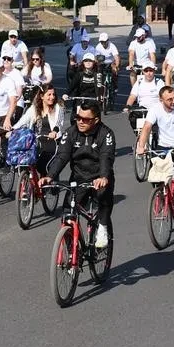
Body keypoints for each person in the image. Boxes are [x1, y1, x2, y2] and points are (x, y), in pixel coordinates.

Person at [41, 101, 116, 248]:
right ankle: (70, 251)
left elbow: (106, 157)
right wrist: (50, 175)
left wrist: (103, 177)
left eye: (85, 119)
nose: (80, 122)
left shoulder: (106, 134)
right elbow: (62, 156)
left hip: (99, 177)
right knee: (68, 212)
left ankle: (103, 227)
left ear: (96, 120)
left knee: (103, 198)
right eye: (78, 117)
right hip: (78, 178)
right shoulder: (71, 132)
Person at [137, 86, 174, 227]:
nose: (173, 101)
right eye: (169, 99)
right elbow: (146, 128)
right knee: (155, 174)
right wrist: (141, 146)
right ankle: (161, 198)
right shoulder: (155, 109)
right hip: (163, 147)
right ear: (161, 100)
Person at [13, 84, 66, 178]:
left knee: (44, 166)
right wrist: (13, 130)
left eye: (53, 94)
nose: (52, 97)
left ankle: (48, 182)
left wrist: (54, 132)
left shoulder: (58, 107)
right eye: (49, 95)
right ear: (42, 96)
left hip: (52, 141)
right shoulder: (35, 108)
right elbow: (23, 120)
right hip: (37, 140)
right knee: (24, 158)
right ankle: (26, 182)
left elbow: (59, 123)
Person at [124, 63, 165, 133]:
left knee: (158, 130)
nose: (149, 73)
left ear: (154, 71)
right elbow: (132, 96)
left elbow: (164, 96)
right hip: (142, 109)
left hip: (155, 110)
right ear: (143, 72)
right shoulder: (139, 82)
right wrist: (128, 106)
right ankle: (138, 135)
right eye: (146, 71)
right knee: (132, 117)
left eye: (151, 71)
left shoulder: (159, 82)